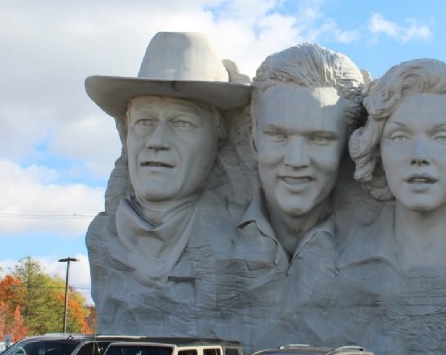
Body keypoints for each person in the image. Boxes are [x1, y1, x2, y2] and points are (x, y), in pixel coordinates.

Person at [84, 31, 251, 334]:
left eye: (182, 122)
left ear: (218, 137)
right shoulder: (102, 238)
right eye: (145, 122)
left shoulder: (247, 245)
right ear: (126, 134)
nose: (157, 141)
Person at [228, 42, 366, 348]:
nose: (296, 159)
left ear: (346, 151)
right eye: (278, 136)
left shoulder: (374, 253)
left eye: (319, 138)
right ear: (253, 142)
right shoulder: (212, 239)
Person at [342, 58, 446, 273]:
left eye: (442, 137)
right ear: (377, 151)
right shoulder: (343, 260)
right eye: (399, 137)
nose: (419, 156)